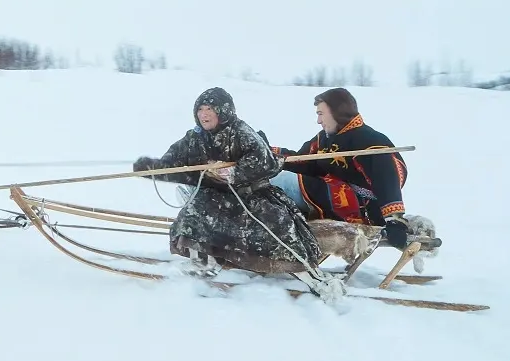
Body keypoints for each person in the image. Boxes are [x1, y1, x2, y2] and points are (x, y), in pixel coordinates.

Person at [133, 87, 323, 276]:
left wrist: (233, 172)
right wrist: (152, 168)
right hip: (215, 197)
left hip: (251, 196)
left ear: (223, 111)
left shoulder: (240, 131)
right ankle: (203, 263)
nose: (203, 114)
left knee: (275, 231)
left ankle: (287, 270)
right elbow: (174, 164)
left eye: (209, 109)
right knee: (193, 214)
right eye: (200, 109)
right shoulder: (194, 138)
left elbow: (265, 161)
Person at [268, 87, 411, 249]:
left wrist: (394, 221)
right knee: (275, 178)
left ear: (336, 112)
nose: (318, 121)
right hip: (329, 194)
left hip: (359, 208)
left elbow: (387, 179)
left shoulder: (369, 140)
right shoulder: (325, 138)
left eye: (321, 114)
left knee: (279, 181)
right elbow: (302, 161)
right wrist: (268, 151)